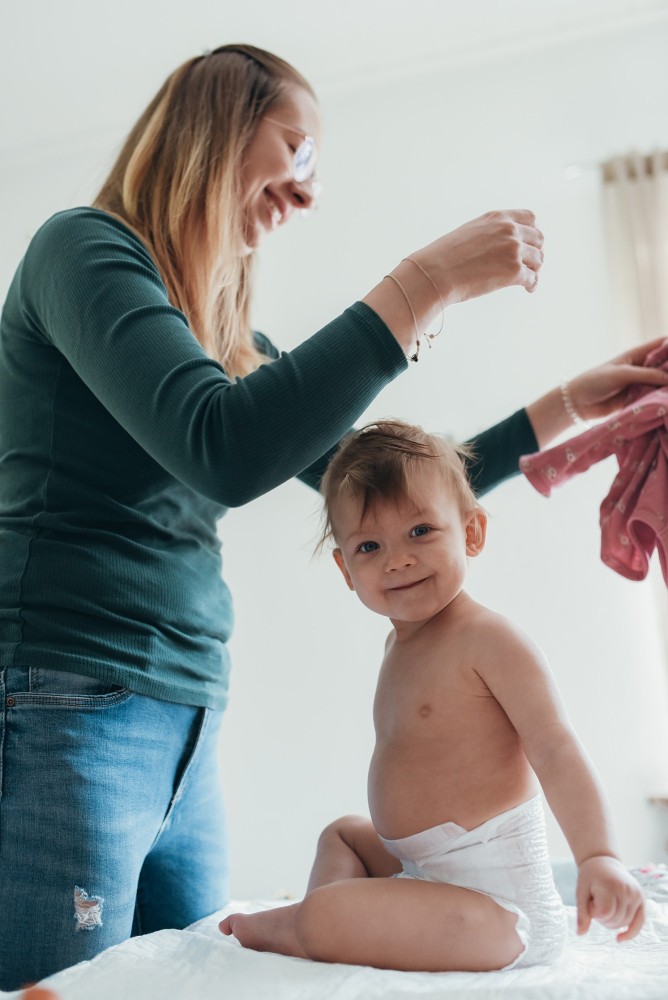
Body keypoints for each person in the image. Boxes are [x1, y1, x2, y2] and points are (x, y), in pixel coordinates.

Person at [0, 41, 663, 990]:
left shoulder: (231, 348)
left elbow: (407, 494)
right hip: (76, 693)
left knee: (188, 980)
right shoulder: (82, 250)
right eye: (296, 151)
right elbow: (221, 448)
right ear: (220, 122)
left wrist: (566, 407)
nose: (307, 194)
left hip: (186, 715)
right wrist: (422, 282)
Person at [220, 420, 646, 971]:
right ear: (345, 569)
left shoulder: (489, 639)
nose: (397, 559)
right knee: (342, 836)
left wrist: (598, 856)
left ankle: (313, 924)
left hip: (499, 913)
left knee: (328, 915)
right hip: (421, 872)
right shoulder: (398, 650)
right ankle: (326, 923)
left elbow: (555, 749)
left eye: (420, 532)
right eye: (370, 546)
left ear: (471, 533)